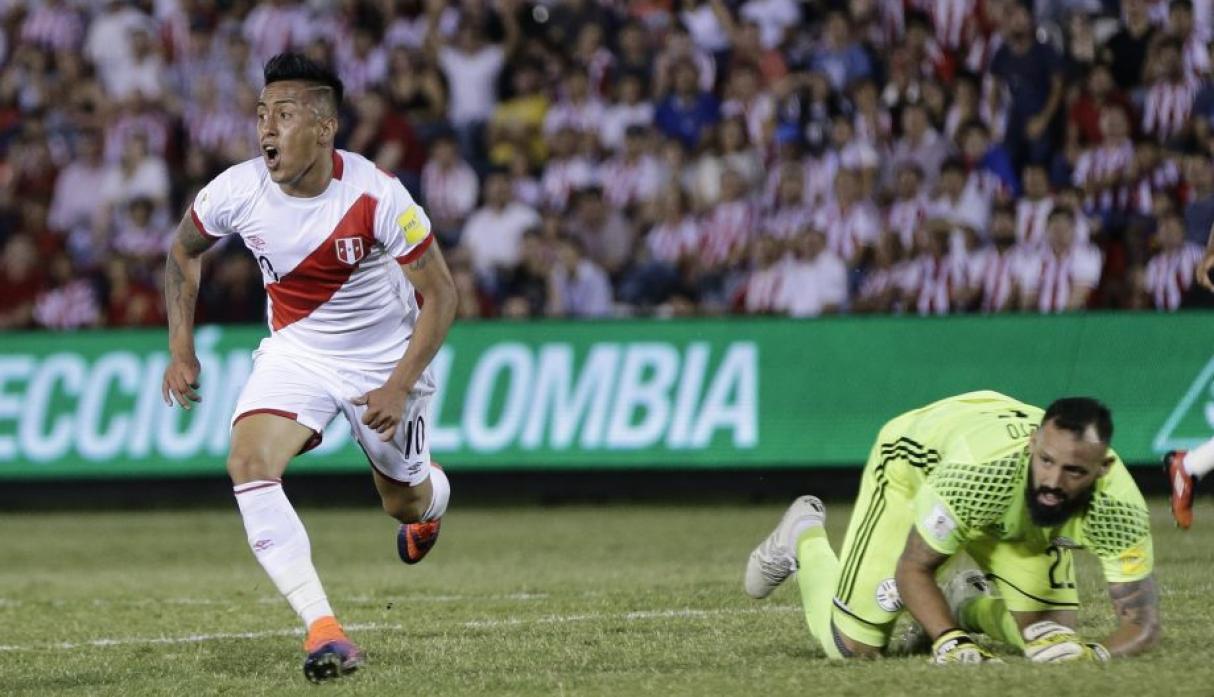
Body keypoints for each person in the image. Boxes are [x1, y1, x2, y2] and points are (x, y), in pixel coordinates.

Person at [160, 54, 457, 683]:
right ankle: (324, 629)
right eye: (261, 114)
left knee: (402, 503)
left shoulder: (377, 194)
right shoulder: (236, 190)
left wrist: (399, 385)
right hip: (297, 351)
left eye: (285, 114)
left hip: (383, 360)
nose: (267, 128)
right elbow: (183, 251)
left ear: (325, 128)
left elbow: (442, 295)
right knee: (248, 463)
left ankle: (432, 500)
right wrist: (180, 346)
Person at [745, 392, 1160, 662]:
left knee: (1051, 640)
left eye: (1073, 471)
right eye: (1046, 461)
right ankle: (803, 536)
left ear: (1102, 469)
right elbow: (912, 569)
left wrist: (1096, 653)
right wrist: (949, 640)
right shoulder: (977, 475)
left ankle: (965, 603)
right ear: (1033, 444)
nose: (1053, 481)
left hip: (1011, 511)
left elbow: (1141, 624)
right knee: (854, 647)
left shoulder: (1119, 507)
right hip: (915, 466)